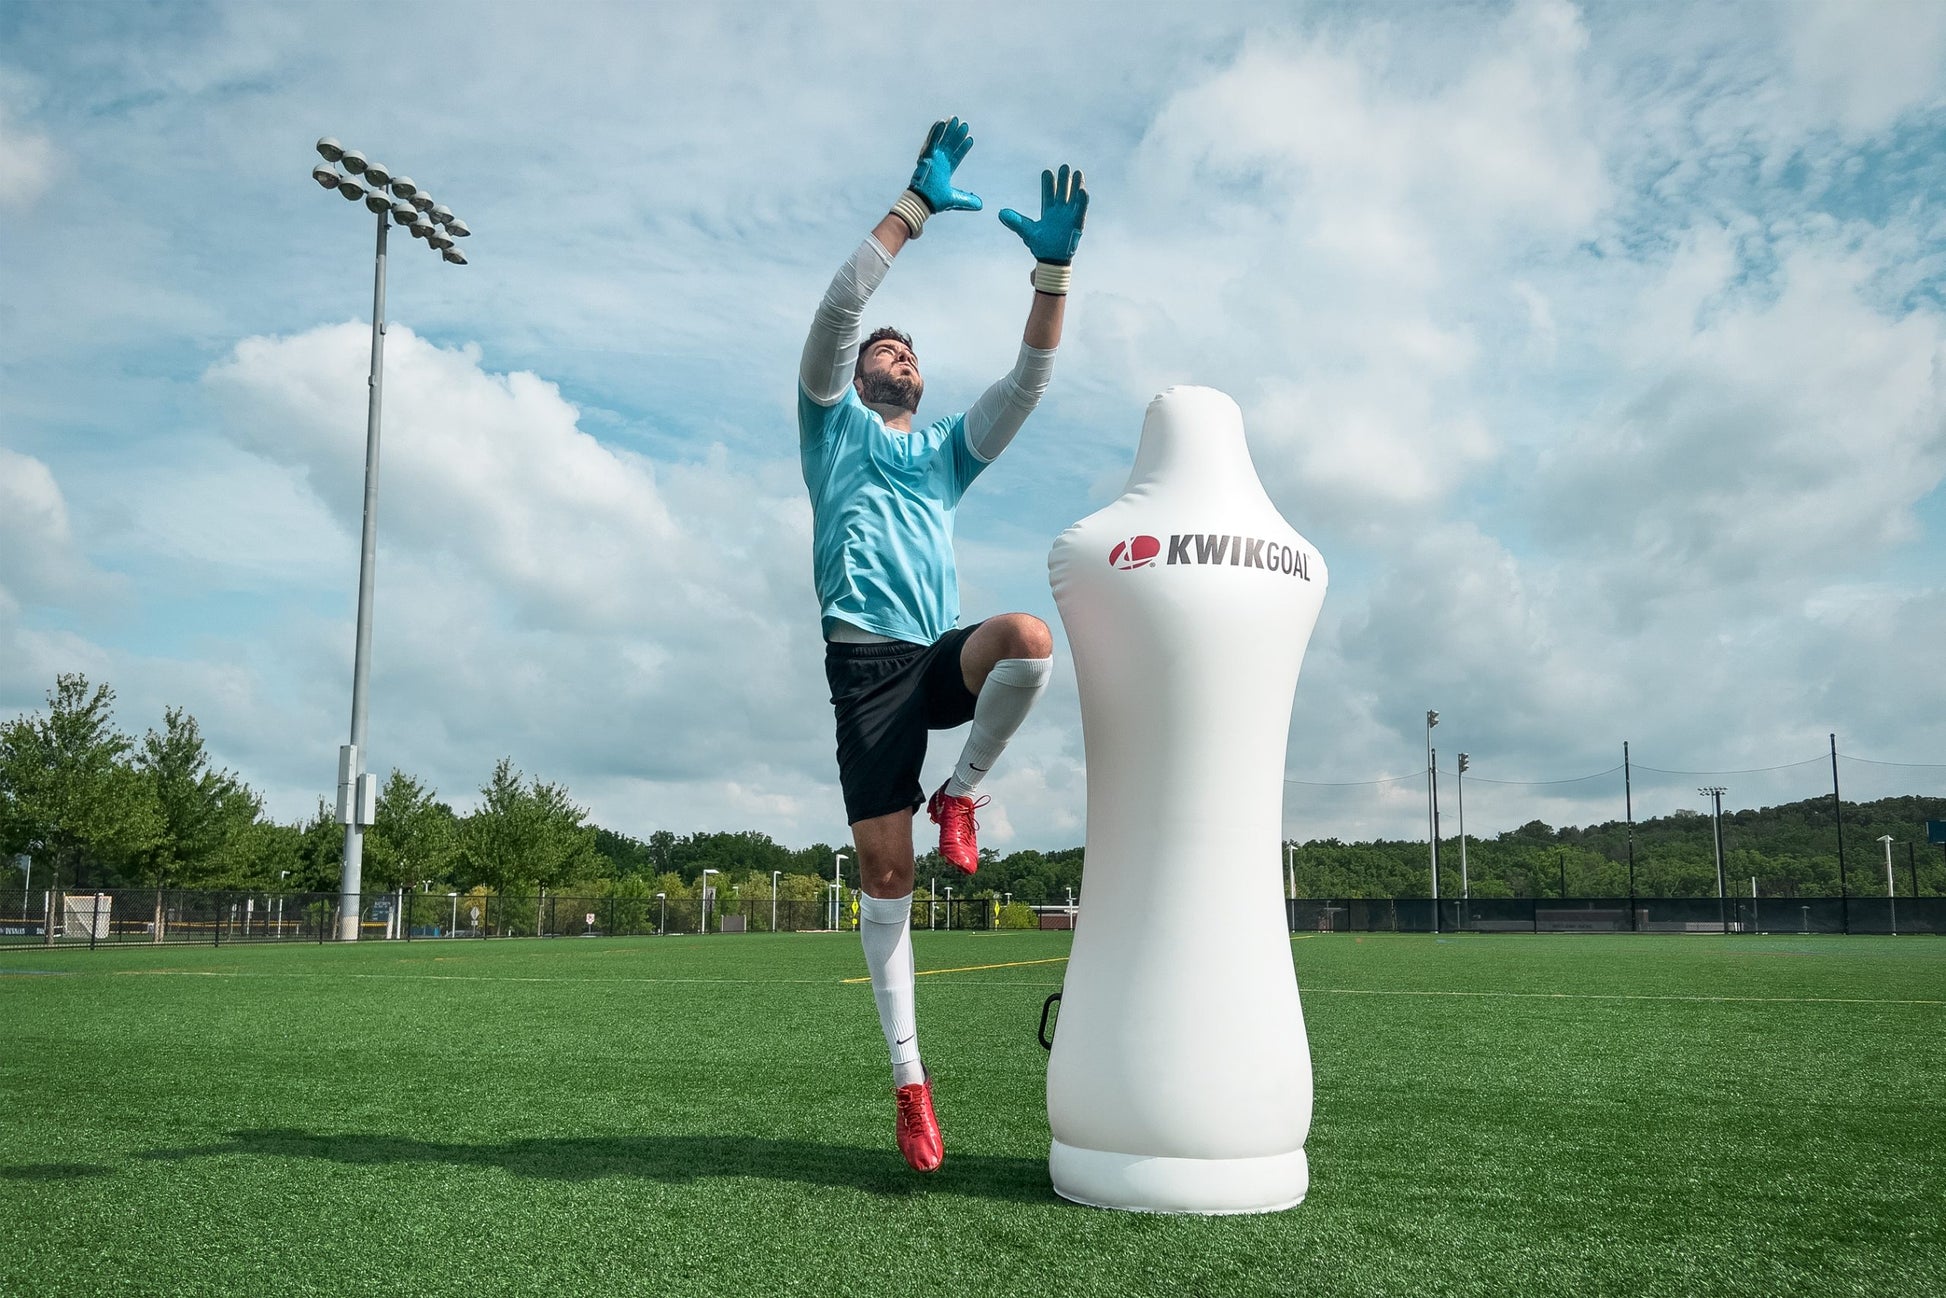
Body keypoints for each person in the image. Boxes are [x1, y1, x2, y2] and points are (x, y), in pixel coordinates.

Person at [797, 117, 1088, 1173]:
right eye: (887, 347)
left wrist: (1049, 272)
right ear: (861, 371)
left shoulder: (943, 455)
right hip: (863, 672)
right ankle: (911, 1084)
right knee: (885, 872)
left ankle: (960, 789)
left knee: (1025, 638)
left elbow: (1026, 384)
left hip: (932, 657)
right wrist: (912, 207)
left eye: (909, 349)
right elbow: (839, 306)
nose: (897, 351)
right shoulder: (829, 423)